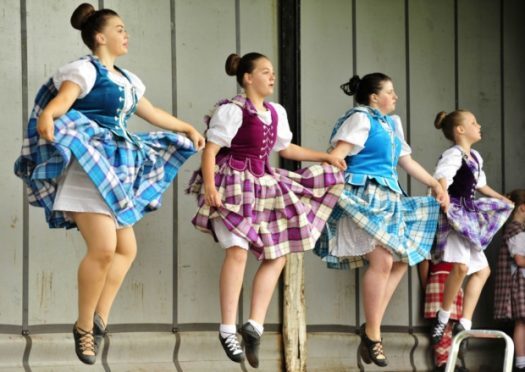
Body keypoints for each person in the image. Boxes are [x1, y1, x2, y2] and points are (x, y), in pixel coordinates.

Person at [14, 3, 204, 365]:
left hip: (116, 170)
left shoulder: (129, 80)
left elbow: (152, 112)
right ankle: (84, 327)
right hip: (89, 167)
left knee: (126, 250)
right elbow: (63, 100)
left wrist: (186, 127)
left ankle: (99, 318)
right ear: (99, 37)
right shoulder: (84, 70)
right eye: (119, 29)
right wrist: (49, 117)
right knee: (103, 248)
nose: (125, 33)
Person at [187, 52, 345, 368]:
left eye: (272, 72)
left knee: (279, 253)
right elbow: (211, 150)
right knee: (237, 252)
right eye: (264, 71)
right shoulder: (231, 111)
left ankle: (254, 325)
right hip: (231, 183)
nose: (271, 77)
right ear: (247, 78)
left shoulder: (275, 112)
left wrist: (323, 157)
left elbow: (285, 149)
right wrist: (209, 186)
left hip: (263, 184)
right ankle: (227, 329)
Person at [313, 73, 447, 368]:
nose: (395, 96)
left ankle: (371, 328)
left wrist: (436, 184)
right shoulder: (360, 119)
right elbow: (338, 155)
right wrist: (323, 184)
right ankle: (373, 334)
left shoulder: (390, 124)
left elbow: (406, 162)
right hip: (365, 196)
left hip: (389, 197)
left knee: (402, 259)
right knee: (384, 261)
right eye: (390, 91)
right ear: (374, 97)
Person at [430, 110, 513, 347]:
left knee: (482, 271)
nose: (479, 125)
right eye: (473, 122)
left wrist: (503, 199)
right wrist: (443, 194)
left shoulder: (475, 156)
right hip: (455, 212)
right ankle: (443, 317)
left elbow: (482, 185)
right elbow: (443, 176)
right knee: (461, 266)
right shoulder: (453, 153)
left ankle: (464, 323)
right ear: (460, 130)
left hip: (469, 214)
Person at [494, 189, 525, 372]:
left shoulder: (514, 230)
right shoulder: (516, 230)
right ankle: (521, 363)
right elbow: (520, 259)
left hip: (519, 282)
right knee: (522, 321)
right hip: (519, 283)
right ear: (522, 208)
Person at [421, 259, 467, 372]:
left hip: (451, 278)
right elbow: (424, 260)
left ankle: (446, 363)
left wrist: (425, 284)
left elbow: (424, 262)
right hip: (446, 277)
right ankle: (443, 363)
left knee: (446, 327)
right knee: (444, 327)